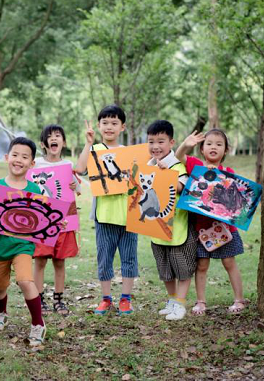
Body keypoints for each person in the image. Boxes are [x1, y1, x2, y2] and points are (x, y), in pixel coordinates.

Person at [0, 137, 47, 347]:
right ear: (7, 157)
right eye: (15, 155)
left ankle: (38, 324)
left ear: (32, 163)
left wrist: (56, 223)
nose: (19, 160)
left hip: (23, 245)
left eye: (25, 157)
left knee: (25, 280)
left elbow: (43, 218)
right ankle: (1, 314)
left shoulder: (34, 189)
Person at [175, 129, 247, 315]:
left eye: (218, 144)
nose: (213, 147)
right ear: (202, 149)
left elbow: (235, 201)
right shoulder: (196, 166)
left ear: (226, 150)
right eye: (209, 143)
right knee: (202, 265)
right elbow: (178, 157)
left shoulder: (228, 173)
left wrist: (219, 177)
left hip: (225, 229)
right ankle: (200, 302)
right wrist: (185, 144)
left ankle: (239, 300)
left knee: (229, 262)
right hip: (202, 230)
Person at [75, 105, 138, 316]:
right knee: (104, 260)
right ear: (99, 125)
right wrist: (88, 143)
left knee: (129, 259)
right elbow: (80, 168)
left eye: (114, 123)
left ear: (122, 127)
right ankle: (106, 299)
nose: (109, 127)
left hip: (129, 216)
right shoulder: (95, 150)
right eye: (105, 123)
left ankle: (126, 299)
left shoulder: (129, 153)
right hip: (104, 217)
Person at [146, 120, 197, 321]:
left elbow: (180, 187)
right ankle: (172, 300)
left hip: (178, 228)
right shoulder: (148, 166)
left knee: (182, 268)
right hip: (157, 228)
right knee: (165, 269)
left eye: (161, 141)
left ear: (171, 142)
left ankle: (181, 304)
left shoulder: (178, 165)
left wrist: (164, 174)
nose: (155, 146)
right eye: (151, 141)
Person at [32, 124, 80, 315]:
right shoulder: (35, 164)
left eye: (58, 135)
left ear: (63, 142)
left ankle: (58, 300)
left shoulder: (68, 165)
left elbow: (76, 189)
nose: (54, 138)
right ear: (43, 144)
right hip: (41, 220)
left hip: (64, 219)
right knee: (40, 261)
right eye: (50, 136)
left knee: (60, 261)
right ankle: (39, 299)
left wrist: (74, 185)